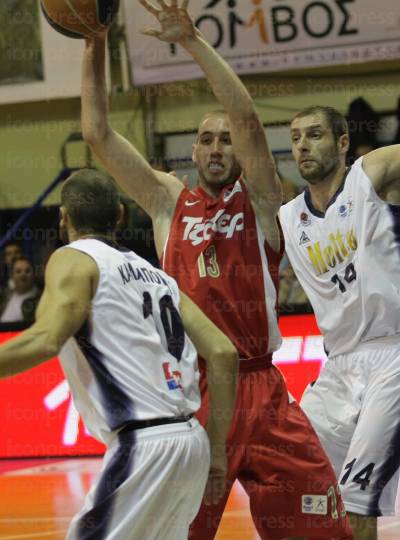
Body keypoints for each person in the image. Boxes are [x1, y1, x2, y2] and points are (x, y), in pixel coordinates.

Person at [81, 2, 352, 539]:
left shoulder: (260, 200)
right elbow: (97, 134)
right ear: (192, 150)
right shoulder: (167, 202)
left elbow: (247, 115)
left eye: (226, 139)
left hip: (263, 388)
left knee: (320, 526)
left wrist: (192, 42)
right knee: (184, 530)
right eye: (206, 139)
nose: (217, 147)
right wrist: (93, 42)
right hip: (194, 391)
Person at [0, 169, 239, 540]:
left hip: (144, 445)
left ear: (64, 219)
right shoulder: (158, 276)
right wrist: (218, 447)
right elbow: (223, 352)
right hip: (192, 441)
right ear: (120, 216)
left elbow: (46, 339)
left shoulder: (73, 258)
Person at [279, 105, 400, 540]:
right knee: (300, 485)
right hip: (338, 366)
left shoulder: (370, 174)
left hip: (394, 355)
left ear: (343, 142)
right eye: (295, 138)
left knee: (354, 499)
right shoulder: (289, 215)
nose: (303, 145)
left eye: (315, 134)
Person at [0, 257, 41, 324]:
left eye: (27, 271)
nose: (23, 275)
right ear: (12, 275)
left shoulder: (41, 299)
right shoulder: (5, 297)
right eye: (18, 271)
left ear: (34, 274)